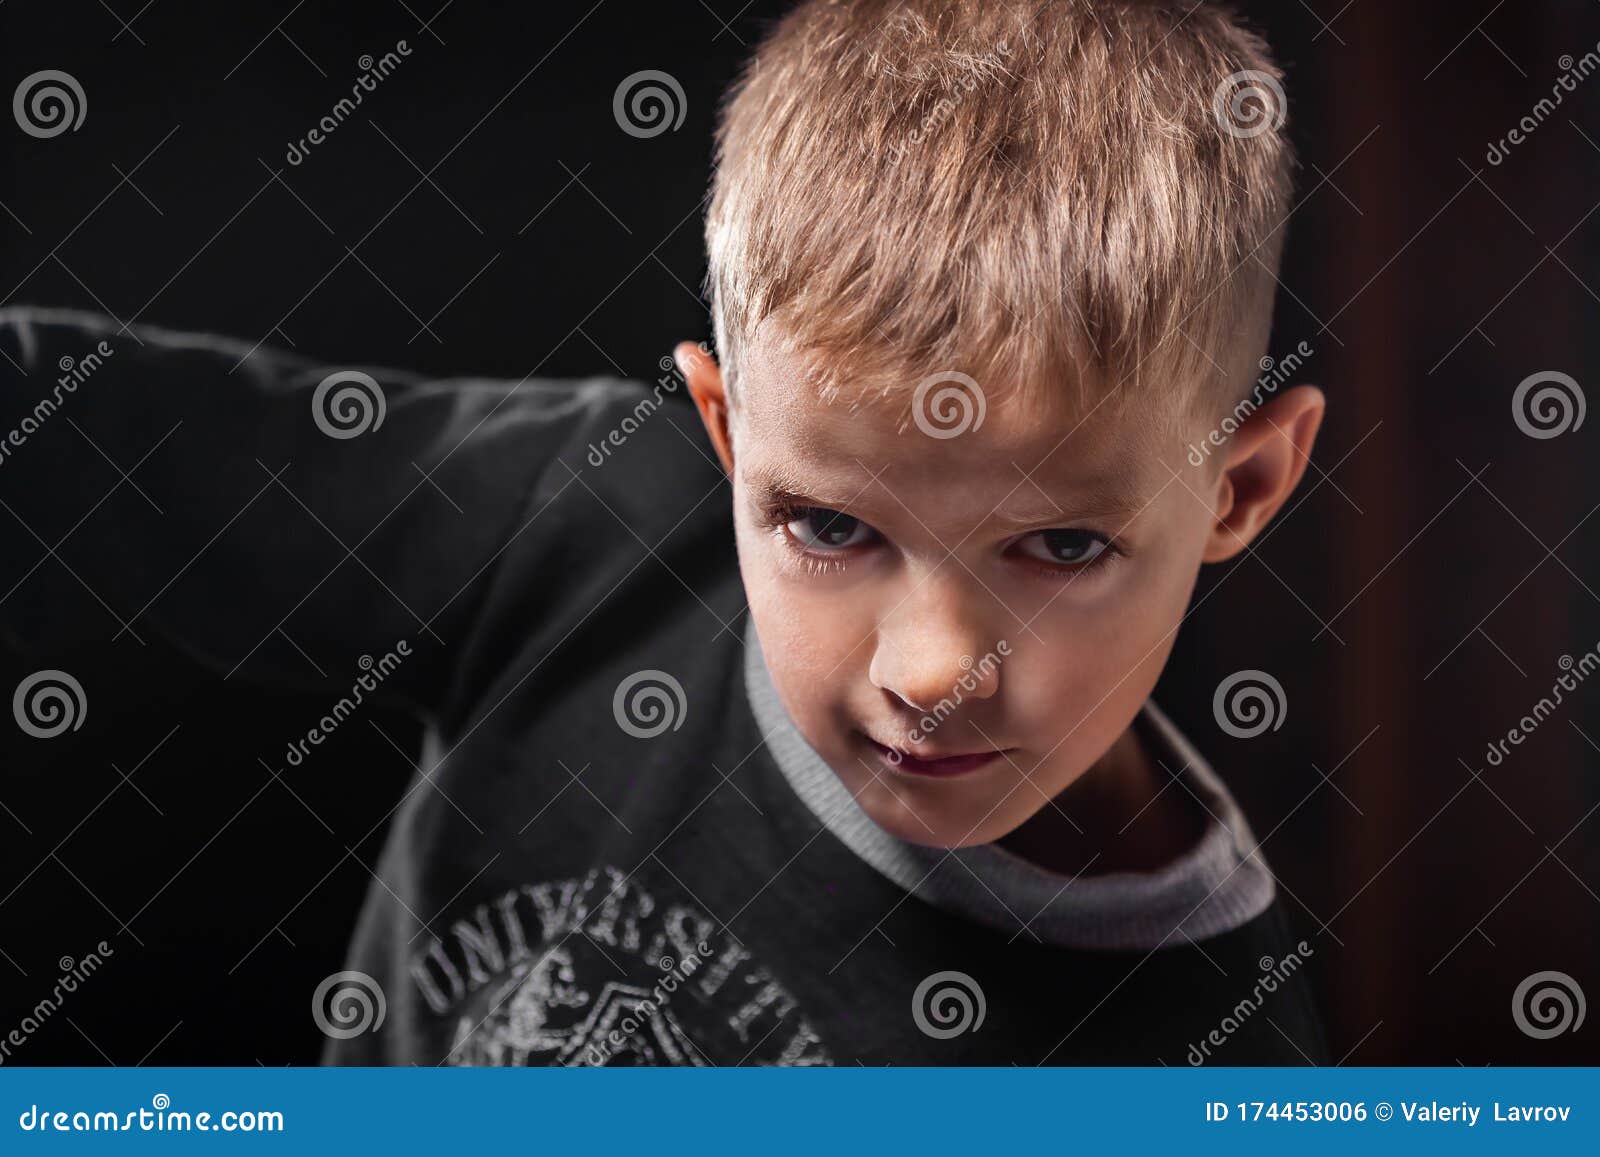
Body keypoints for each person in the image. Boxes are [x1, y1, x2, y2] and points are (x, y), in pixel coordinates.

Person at [0, 0, 1328, 1065]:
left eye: (1063, 547)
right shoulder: (591, 517)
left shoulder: (1210, 1060)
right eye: (830, 524)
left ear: (1241, 486)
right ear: (726, 430)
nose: (934, 671)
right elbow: (86, 447)